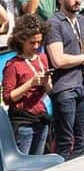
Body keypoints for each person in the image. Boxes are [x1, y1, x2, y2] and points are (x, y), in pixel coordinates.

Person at [44, 0, 84, 159]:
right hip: (64, 88)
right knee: (65, 141)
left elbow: (81, 49)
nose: (77, 0)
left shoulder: (81, 20)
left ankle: (71, 170)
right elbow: (58, 59)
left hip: (80, 85)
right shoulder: (54, 23)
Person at [2, 15, 52, 154]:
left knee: (38, 162)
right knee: (23, 167)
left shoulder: (42, 58)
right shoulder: (13, 65)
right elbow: (7, 98)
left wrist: (47, 83)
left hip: (41, 117)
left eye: (39, 42)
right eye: (32, 42)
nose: (36, 46)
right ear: (21, 40)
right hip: (23, 121)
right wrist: (30, 83)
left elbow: (49, 90)